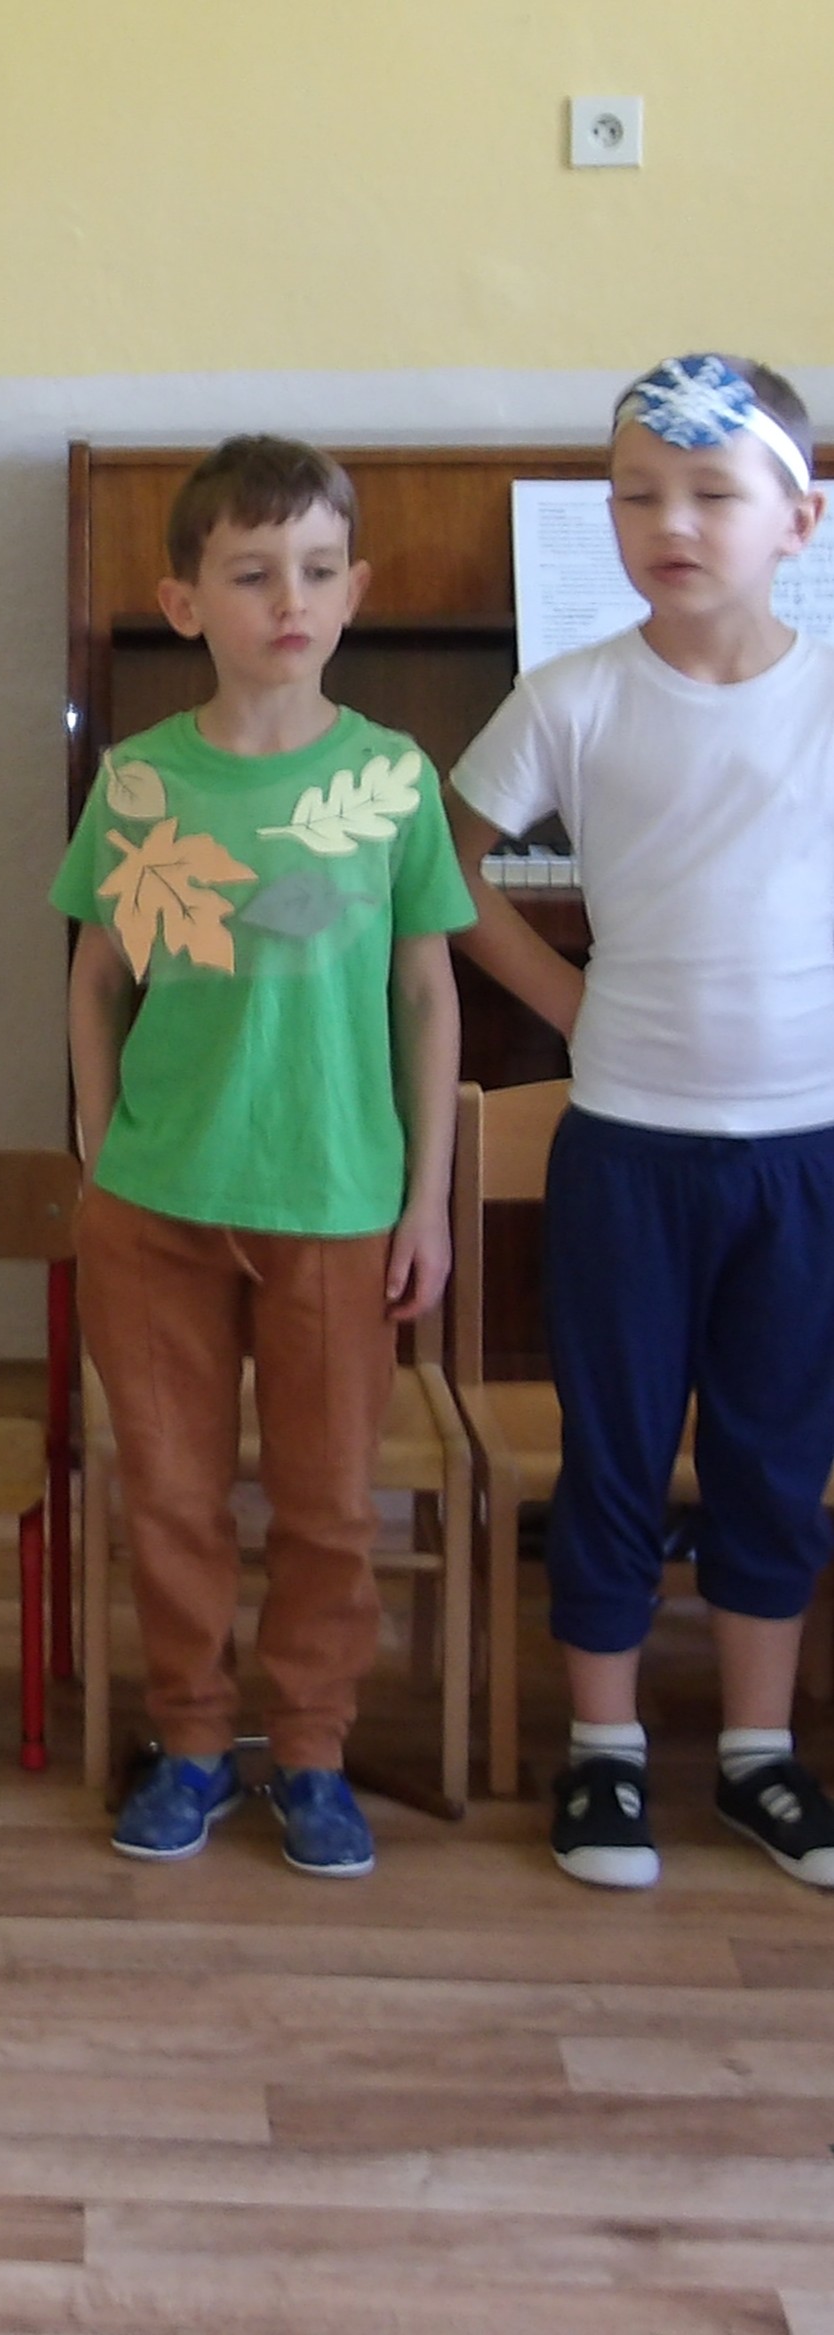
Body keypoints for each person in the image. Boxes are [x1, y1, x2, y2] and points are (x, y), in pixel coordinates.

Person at [55, 435, 474, 1875]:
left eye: (314, 569)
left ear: (354, 590)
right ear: (185, 605)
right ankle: (189, 1740)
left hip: (336, 1198)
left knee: (326, 1503)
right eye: (251, 574)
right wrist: (98, 1149)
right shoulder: (137, 782)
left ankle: (309, 1750)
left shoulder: (393, 777)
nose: (287, 599)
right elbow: (94, 980)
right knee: (172, 1495)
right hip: (159, 1203)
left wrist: (424, 1197)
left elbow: (426, 994)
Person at [448, 353, 834, 1891]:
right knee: (610, 1450)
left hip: (801, 1152)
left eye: (710, 493)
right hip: (627, 1147)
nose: (668, 522)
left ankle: (755, 1753)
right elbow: (442, 865)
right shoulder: (574, 696)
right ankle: (601, 1748)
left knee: (771, 1449)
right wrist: (563, 996)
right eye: (634, 494)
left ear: (796, 520)